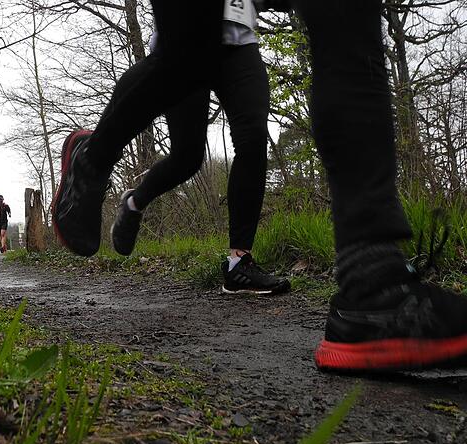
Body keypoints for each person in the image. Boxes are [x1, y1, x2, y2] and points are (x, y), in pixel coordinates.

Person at [52, 0, 467, 371]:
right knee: (187, 153)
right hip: (192, 38)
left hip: (241, 37)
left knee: (260, 130)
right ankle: (99, 164)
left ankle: (367, 281)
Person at [111, 0, 289, 295]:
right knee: (187, 157)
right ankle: (134, 203)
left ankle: (238, 264)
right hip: (184, 43)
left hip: (238, 39)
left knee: (253, 138)